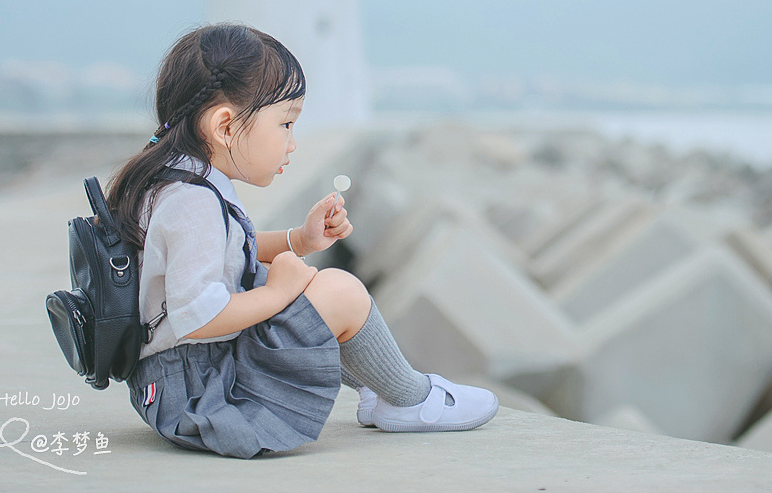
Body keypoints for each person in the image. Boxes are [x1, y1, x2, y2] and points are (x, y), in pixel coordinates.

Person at [109, 23, 498, 458]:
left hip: (184, 382)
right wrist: (278, 293)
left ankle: (378, 389)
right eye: (286, 123)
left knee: (302, 286)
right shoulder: (192, 202)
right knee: (338, 290)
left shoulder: (177, 181)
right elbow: (197, 316)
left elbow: (226, 249)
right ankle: (409, 399)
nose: (293, 143)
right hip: (208, 396)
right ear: (224, 126)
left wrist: (298, 240)